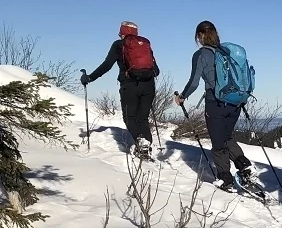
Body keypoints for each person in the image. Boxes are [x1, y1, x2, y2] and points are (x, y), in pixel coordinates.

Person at [173, 21, 256, 191]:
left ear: (199, 36)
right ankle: (244, 166)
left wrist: (182, 96)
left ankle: (225, 179)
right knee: (226, 136)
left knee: (218, 142)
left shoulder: (201, 54)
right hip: (235, 102)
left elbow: (194, 82)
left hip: (215, 103)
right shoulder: (226, 51)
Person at [81, 21, 160, 160]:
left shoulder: (119, 44)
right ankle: (146, 148)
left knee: (129, 118)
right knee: (143, 118)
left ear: (122, 33)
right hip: (149, 85)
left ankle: (141, 143)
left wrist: (90, 78)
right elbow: (156, 70)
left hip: (129, 85)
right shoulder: (145, 45)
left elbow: (107, 65)